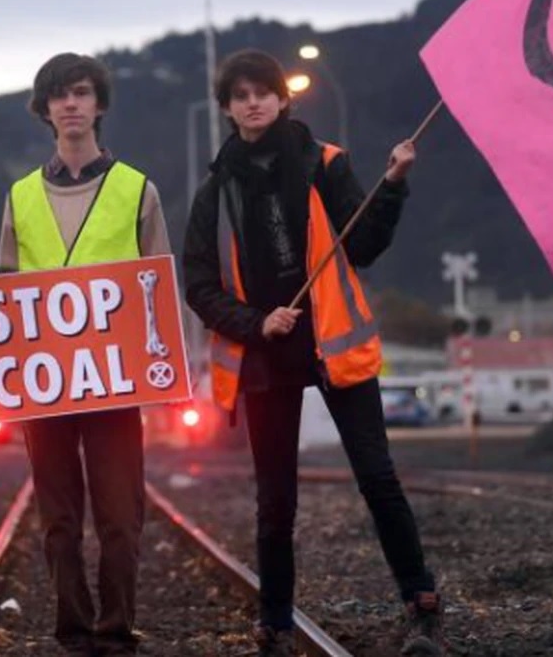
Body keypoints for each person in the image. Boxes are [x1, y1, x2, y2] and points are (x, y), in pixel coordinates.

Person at [182, 49, 445, 657]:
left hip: (334, 345)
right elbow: (198, 283)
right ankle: (274, 622)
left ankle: (421, 597)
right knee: (276, 501)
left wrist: (395, 184)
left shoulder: (325, 164)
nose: (253, 102)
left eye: (263, 92)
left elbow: (366, 245)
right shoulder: (214, 193)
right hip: (265, 356)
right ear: (226, 107)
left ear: (282, 99)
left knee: (377, 477)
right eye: (241, 95)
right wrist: (254, 322)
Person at [0, 52, 170, 656]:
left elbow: (158, 289)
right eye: (58, 95)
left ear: (98, 103)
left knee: (121, 517)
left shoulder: (137, 191)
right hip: (44, 386)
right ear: (44, 110)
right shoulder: (19, 196)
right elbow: (8, 290)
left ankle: (116, 631)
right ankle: (73, 631)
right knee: (58, 520)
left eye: (80, 93)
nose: (70, 104)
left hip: (116, 384)